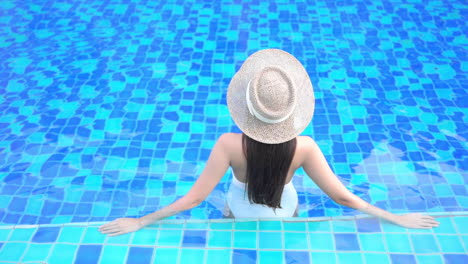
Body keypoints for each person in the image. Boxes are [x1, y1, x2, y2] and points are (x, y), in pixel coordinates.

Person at [99, 49, 439, 237]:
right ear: (290, 113)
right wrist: (395, 217)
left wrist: (141, 221)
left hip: (238, 211)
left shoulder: (228, 145)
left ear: (245, 108)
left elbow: (195, 198)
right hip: (286, 211)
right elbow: (341, 196)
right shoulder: (304, 148)